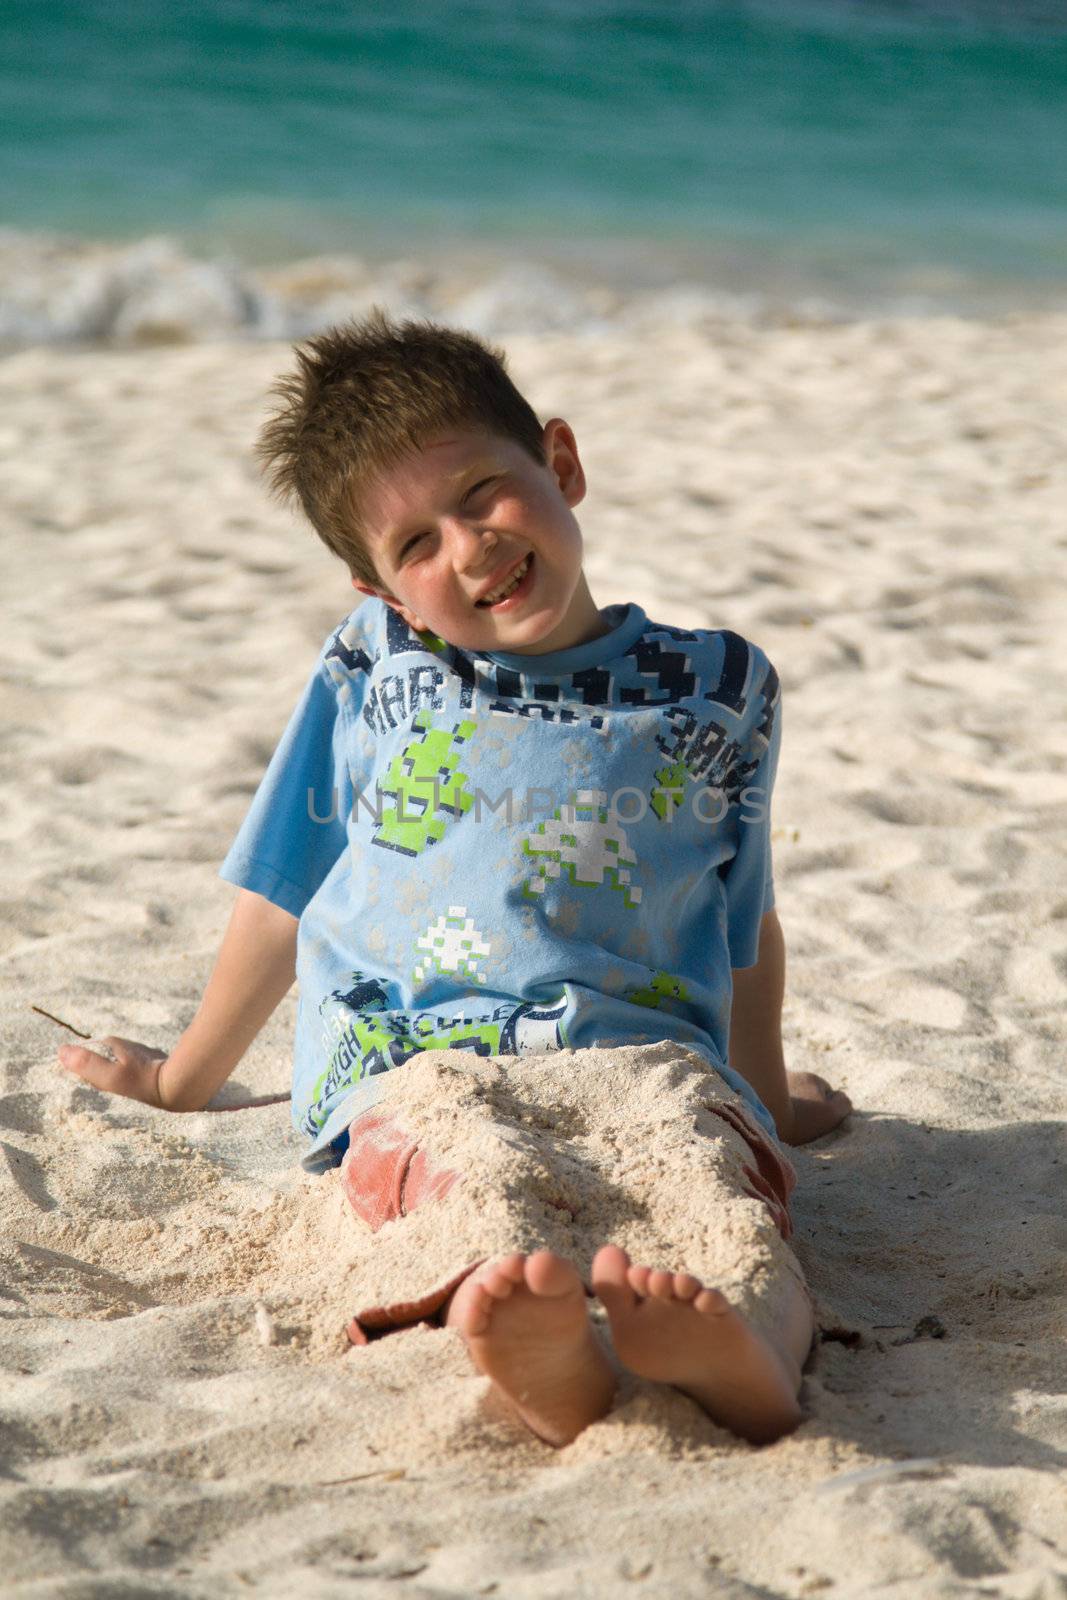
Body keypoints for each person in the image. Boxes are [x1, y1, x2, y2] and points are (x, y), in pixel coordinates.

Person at [57, 309, 852, 1448]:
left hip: (643, 1051)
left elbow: (741, 918)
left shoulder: (717, 684)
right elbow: (288, 879)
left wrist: (763, 1099)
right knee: (456, 1173)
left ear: (561, 464)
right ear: (378, 589)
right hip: (416, 1055)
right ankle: (544, 1350)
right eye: (416, 546)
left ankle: (748, 1354)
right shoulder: (372, 665)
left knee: (712, 1183)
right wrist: (187, 1076)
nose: (469, 547)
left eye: (482, 493)